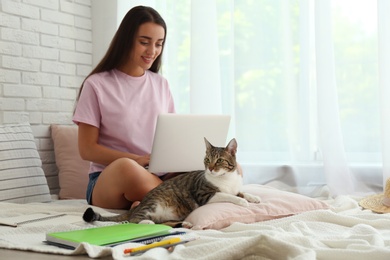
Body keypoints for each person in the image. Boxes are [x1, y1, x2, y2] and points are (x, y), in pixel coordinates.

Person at [72, 6, 175, 210]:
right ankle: (173, 203)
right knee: (127, 168)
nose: (152, 51)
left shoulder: (161, 84)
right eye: (144, 42)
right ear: (126, 39)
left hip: (154, 175)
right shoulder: (97, 84)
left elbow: (170, 136)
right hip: (109, 179)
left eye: (158, 44)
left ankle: (147, 206)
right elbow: (87, 149)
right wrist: (136, 159)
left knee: (220, 168)